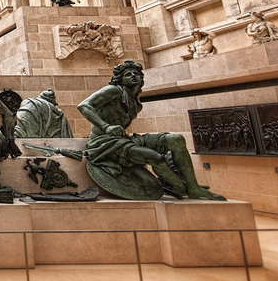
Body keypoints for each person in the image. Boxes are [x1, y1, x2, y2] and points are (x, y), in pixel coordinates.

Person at [77, 60, 225, 200]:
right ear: (120, 79)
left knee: (176, 139)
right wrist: (106, 127)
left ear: (141, 79)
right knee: (157, 158)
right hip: (104, 144)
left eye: (136, 74)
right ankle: (183, 187)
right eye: (128, 74)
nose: (133, 76)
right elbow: (83, 105)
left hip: (124, 140)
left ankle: (194, 187)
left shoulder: (136, 103)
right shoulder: (113, 91)